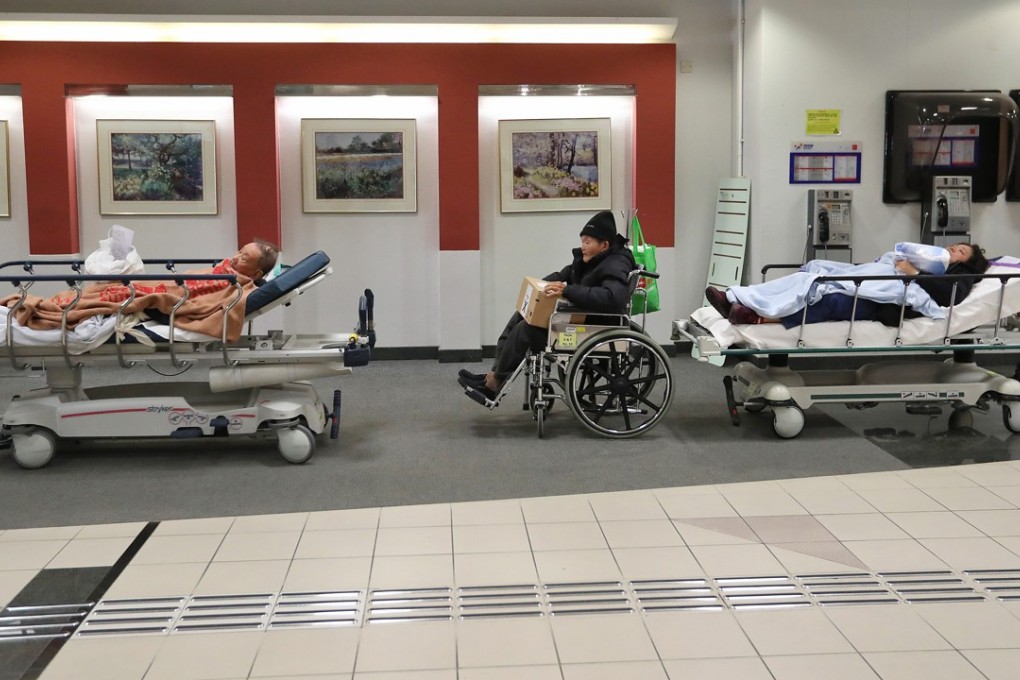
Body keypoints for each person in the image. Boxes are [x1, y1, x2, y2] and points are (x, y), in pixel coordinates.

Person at [458, 211, 637, 403]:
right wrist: (539, 288)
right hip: (580, 318)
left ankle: (495, 383)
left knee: (526, 329)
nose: (583, 246)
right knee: (522, 314)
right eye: (582, 241)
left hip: (593, 326)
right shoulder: (592, 260)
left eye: (587, 242)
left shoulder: (616, 263)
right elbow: (564, 275)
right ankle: (494, 375)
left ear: (604, 245)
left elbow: (612, 298)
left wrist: (567, 290)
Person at [705, 242, 989, 327]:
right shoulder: (927, 263)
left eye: (960, 251)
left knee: (828, 298)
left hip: (885, 302)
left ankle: (756, 317)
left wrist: (913, 272)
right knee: (805, 278)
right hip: (875, 285)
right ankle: (735, 297)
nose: (952, 249)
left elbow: (948, 296)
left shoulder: (960, 277)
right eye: (954, 246)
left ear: (967, 263)